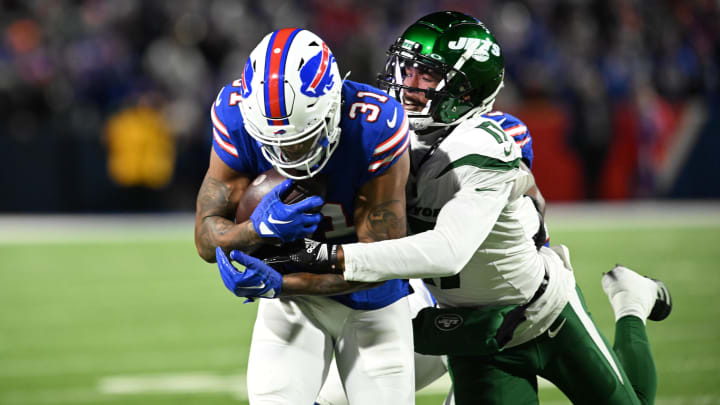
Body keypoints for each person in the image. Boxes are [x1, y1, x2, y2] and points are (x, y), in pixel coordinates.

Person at [219, 12, 672, 405]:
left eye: (426, 76)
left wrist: (322, 258)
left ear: (468, 90)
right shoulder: (378, 134)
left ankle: (629, 302)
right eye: (405, 68)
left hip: (539, 309)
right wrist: (255, 245)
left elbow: (448, 248)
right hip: (467, 330)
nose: (407, 84)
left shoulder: (488, 142)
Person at [194, 28, 415, 404]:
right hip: (293, 307)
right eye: (274, 143)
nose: (289, 154)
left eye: (301, 139)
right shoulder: (235, 116)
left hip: (372, 302)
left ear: (332, 108)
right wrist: (253, 231)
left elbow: (380, 259)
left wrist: (280, 280)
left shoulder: (374, 124)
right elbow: (205, 235)